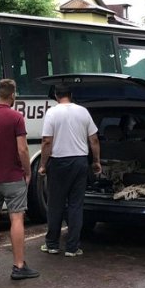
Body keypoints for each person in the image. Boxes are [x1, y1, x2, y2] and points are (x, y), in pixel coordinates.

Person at [0, 78, 39, 280]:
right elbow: (22, 149)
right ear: (13, 95)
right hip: (13, 177)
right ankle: (19, 266)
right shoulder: (16, 118)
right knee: (16, 218)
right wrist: (27, 171)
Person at [38, 83, 101, 257]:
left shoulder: (52, 113)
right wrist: (96, 161)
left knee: (55, 204)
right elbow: (94, 140)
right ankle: (72, 248)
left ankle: (52, 244)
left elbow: (47, 141)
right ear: (71, 95)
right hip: (80, 162)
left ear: (56, 96)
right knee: (75, 205)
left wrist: (43, 164)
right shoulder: (83, 112)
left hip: (58, 163)